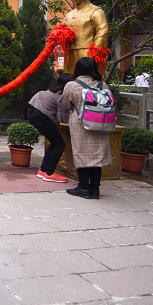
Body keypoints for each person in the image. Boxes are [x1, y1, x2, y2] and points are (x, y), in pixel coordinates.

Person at [58, 57, 112, 199]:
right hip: (100, 124)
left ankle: (83, 187)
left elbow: (65, 103)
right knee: (97, 157)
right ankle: (95, 190)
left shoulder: (72, 85)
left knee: (82, 154)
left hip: (80, 123)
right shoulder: (103, 85)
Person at [28, 73, 74, 183]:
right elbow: (62, 118)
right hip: (43, 118)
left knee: (54, 143)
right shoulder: (61, 97)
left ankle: (43, 170)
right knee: (60, 144)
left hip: (33, 115)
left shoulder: (49, 91)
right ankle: (49, 173)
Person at [62, 0, 109, 75]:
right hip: (70, 55)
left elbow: (103, 31)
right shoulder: (69, 15)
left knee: (87, 78)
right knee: (69, 79)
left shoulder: (96, 12)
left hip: (87, 53)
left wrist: (94, 53)